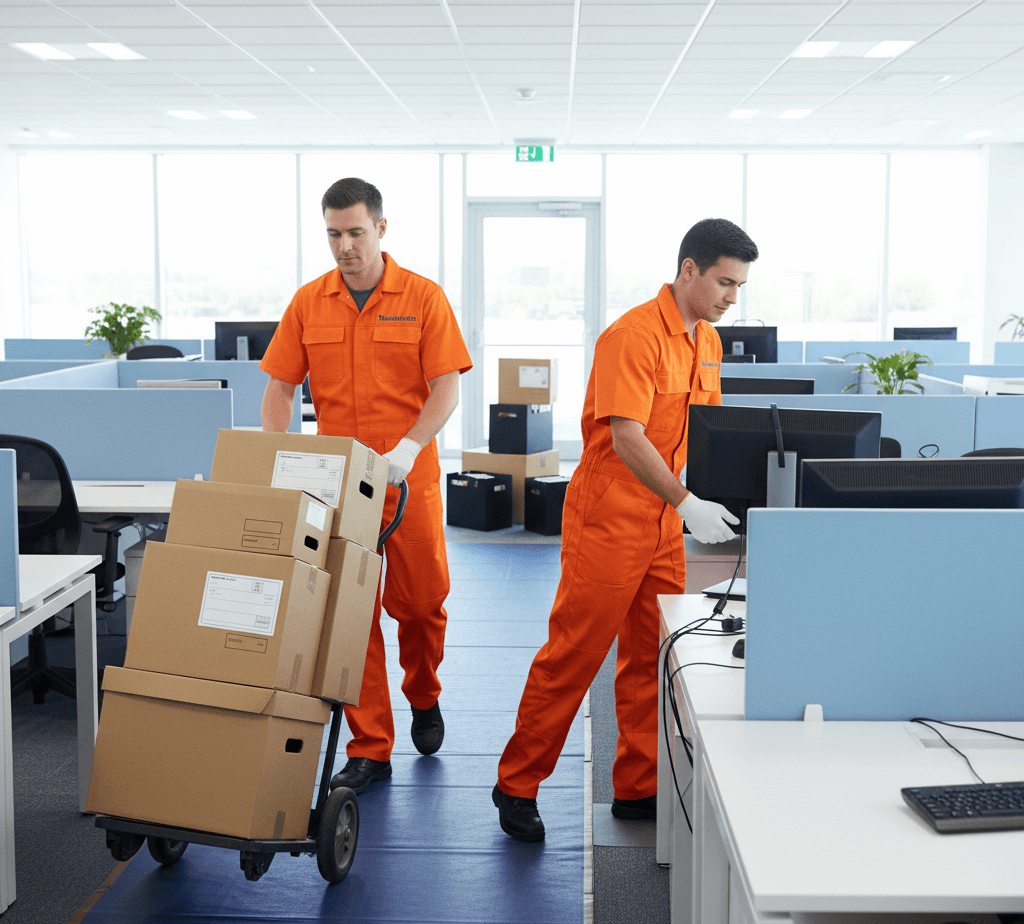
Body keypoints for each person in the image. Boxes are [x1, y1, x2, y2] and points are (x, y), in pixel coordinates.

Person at [493, 218, 758, 841]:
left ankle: (637, 786)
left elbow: (706, 435)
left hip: (665, 518)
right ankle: (517, 785)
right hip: (610, 514)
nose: (731, 297)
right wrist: (688, 500)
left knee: (653, 653)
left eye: (740, 286)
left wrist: (713, 496)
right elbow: (627, 437)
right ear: (688, 269)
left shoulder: (709, 343)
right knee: (576, 653)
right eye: (724, 281)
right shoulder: (633, 336)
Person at [260, 177, 472, 795]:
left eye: (355, 231)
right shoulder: (309, 302)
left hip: (409, 481)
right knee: (348, 615)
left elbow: (446, 386)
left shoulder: (424, 298)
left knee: (422, 605)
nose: (344, 245)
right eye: (333, 233)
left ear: (381, 228)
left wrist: (408, 448)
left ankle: (424, 694)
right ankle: (370, 744)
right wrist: (284, 457)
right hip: (336, 486)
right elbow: (279, 387)